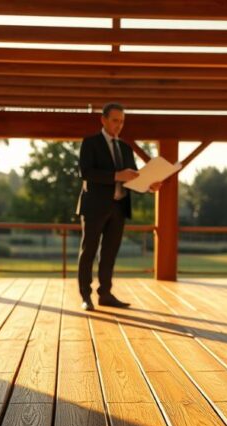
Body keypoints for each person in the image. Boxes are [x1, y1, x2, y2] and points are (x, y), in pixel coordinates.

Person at [76, 103, 162, 311]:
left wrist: (149, 187)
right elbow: (86, 172)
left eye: (122, 121)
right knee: (89, 251)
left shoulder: (125, 147)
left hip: (118, 208)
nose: (119, 125)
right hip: (94, 207)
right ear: (103, 120)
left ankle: (105, 294)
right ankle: (86, 296)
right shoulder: (90, 143)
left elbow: (132, 178)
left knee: (109, 253)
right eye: (115, 120)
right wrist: (116, 175)